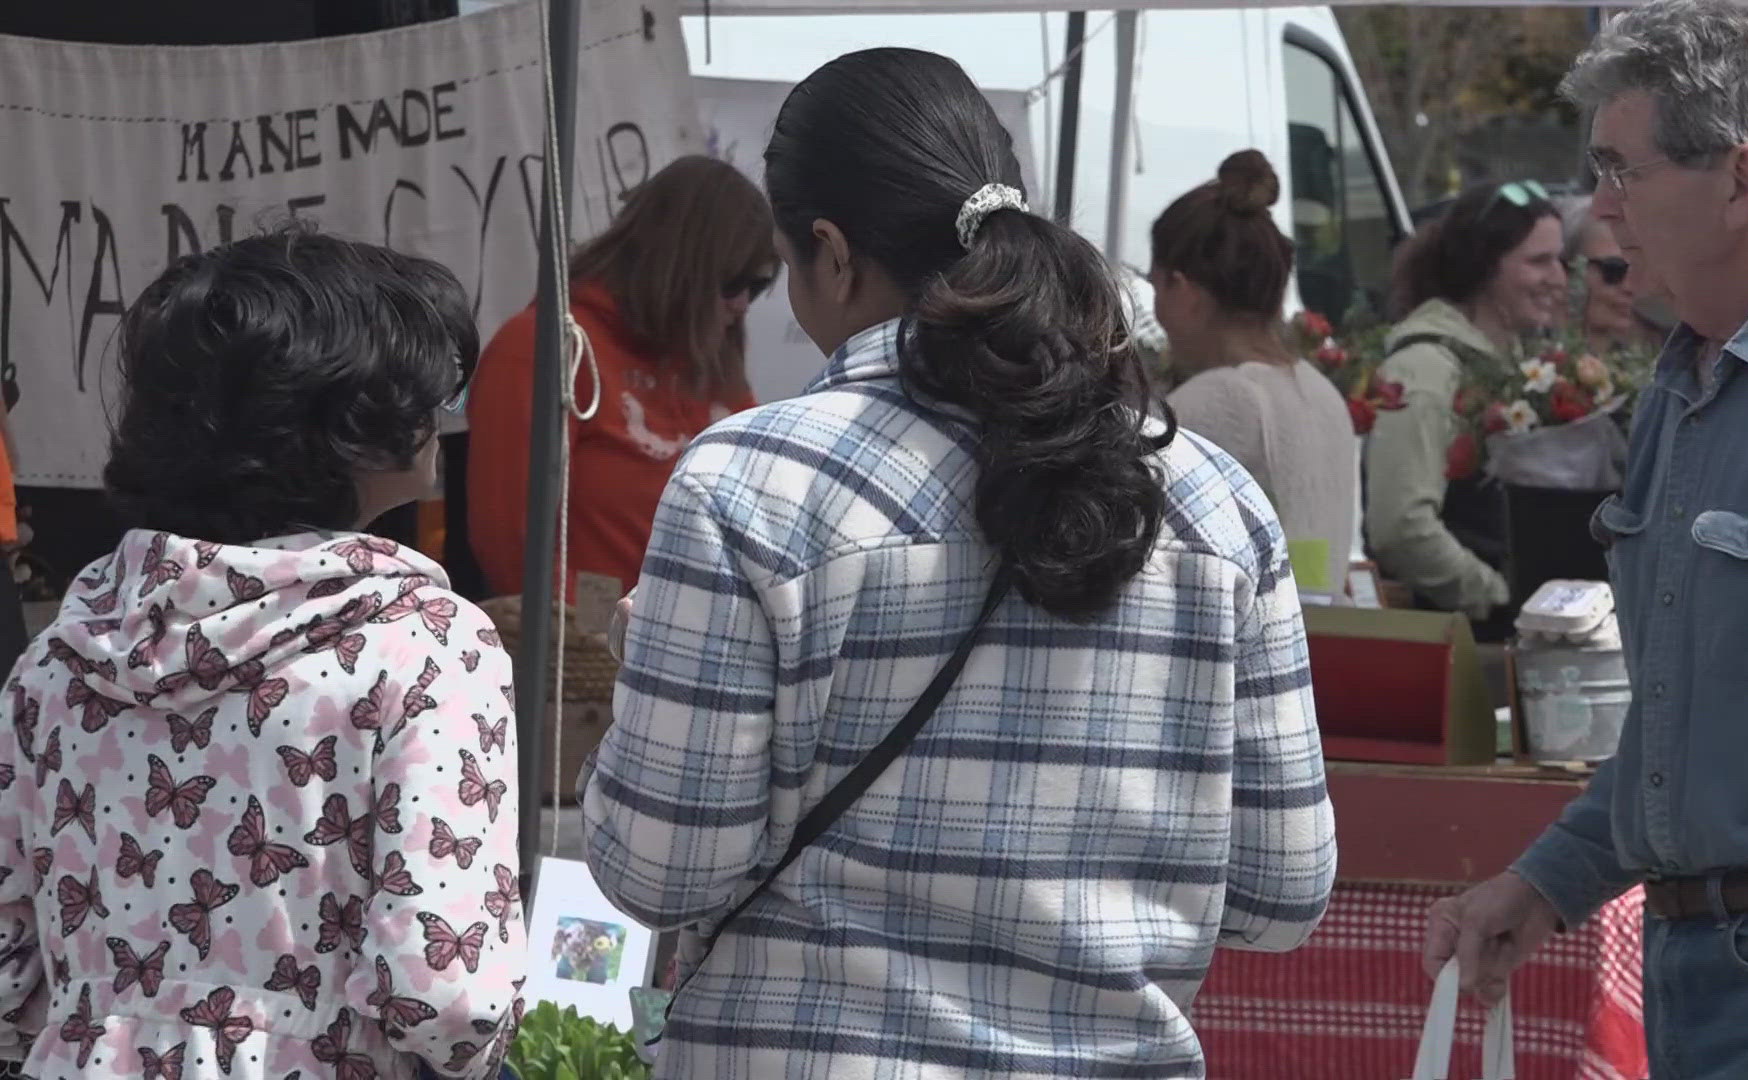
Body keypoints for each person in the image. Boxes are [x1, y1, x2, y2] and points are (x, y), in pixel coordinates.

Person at [579, 47, 1335, 1079]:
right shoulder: (1213, 502)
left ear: (832, 253)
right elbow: (1280, 895)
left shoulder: (750, 483)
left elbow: (659, 873)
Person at [1422, 3, 1748, 1076]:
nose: (1600, 211)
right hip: (1705, 968)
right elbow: (1679, 732)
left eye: (1622, 170)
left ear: (1741, 182)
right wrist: (1545, 881)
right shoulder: (1686, 389)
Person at [0, 228, 525, 1079]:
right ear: (345, 423)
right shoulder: (421, 646)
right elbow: (450, 997)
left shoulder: (60, 658)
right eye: (424, 393)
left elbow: (7, 961)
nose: (442, 418)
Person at [464, 154, 776, 599]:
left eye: (759, 285)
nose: (743, 304)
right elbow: (513, 543)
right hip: (594, 651)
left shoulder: (709, 352)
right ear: (677, 269)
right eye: (732, 282)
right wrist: (599, 641)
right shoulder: (547, 345)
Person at [1364, 181, 1567, 638]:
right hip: (1458, 644)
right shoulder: (1425, 367)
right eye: (1539, 261)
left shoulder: (1512, 361)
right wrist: (1497, 597)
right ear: (1484, 268)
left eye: (1560, 260)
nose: (1559, 278)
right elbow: (1401, 526)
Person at [1155, 149, 1357, 595]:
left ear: (1181, 287)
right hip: (1324, 648)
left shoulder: (1220, 398)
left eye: (1156, 285)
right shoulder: (1321, 390)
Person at [1559, 195, 1666, 356]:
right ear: (1568, 268)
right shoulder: (1528, 364)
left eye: (1638, 269)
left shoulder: (1666, 361)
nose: (1629, 287)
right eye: (1614, 271)